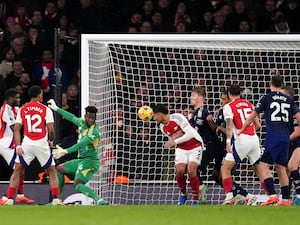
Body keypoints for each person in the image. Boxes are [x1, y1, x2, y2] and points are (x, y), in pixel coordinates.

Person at [238, 75, 300, 206]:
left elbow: (252, 116)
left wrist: (241, 129)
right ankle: (286, 199)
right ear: (282, 85)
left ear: (270, 84)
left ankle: (272, 195)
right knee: (280, 167)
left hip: (273, 137)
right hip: (285, 138)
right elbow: (298, 117)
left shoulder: (267, 98)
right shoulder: (289, 100)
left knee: (262, 165)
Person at [0, 85, 62, 205]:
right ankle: (56, 199)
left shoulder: (22, 109)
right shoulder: (46, 109)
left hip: (27, 144)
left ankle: (8, 198)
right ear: (39, 95)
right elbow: (51, 130)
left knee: (17, 171)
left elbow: (17, 128)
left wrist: (18, 146)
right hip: (41, 143)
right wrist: (51, 141)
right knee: (52, 171)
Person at [47, 99, 109, 205]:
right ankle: (57, 201)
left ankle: (99, 200)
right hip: (81, 160)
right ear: (85, 117)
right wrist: (57, 109)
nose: (90, 120)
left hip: (90, 162)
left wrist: (66, 151)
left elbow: (81, 144)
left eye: (93, 118)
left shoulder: (94, 132)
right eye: (89, 117)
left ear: (95, 119)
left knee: (77, 184)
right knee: (59, 169)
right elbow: (71, 117)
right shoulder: (81, 122)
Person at [152, 104, 205, 205]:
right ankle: (183, 194)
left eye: (155, 115)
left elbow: (189, 134)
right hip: (181, 148)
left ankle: (195, 198)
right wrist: (173, 142)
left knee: (191, 170)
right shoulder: (162, 127)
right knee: (180, 171)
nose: (154, 118)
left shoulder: (177, 117)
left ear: (159, 114)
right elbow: (174, 139)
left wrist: (174, 142)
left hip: (195, 145)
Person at [221, 85, 262, 205]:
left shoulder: (228, 106)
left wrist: (228, 142)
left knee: (225, 168)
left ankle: (229, 197)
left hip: (241, 140)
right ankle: (272, 196)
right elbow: (258, 126)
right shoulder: (249, 105)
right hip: (254, 139)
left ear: (229, 94)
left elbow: (229, 126)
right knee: (259, 170)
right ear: (240, 93)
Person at [189, 87, 224, 204]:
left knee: (193, 169)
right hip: (209, 146)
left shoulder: (203, 111)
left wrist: (210, 121)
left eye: (193, 96)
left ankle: (201, 189)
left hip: (210, 146)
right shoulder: (195, 113)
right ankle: (236, 193)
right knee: (216, 176)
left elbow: (214, 129)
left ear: (201, 98)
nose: (190, 98)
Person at [0, 88, 34, 204]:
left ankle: (19, 195)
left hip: (12, 143)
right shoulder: (6, 110)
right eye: (16, 97)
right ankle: (7, 197)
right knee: (18, 168)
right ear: (10, 98)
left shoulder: (15, 109)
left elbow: (24, 113)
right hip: (6, 144)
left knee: (21, 167)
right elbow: (14, 128)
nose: (18, 99)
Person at [282, 86, 300, 205]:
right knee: (285, 172)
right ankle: (286, 199)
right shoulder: (283, 112)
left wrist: (285, 140)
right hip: (289, 145)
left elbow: (298, 131)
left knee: (292, 166)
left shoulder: (295, 111)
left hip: (298, 143)